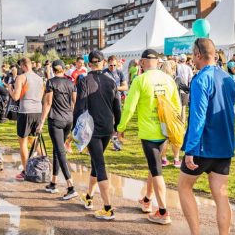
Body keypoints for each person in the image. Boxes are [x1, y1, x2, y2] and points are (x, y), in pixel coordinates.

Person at [174, 38, 235, 235]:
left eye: (193, 54)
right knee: (221, 194)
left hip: (203, 145)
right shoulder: (228, 78)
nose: (192, 58)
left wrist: (189, 149)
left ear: (199, 55)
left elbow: (198, 116)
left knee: (184, 186)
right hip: (224, 145)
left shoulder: (201, 79)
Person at [118, 50, 181, 224]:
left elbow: (129, 107)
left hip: (149, 132)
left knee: (156, 170)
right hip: (164, 130)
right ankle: (147, 200)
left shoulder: (140, 80)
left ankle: (163, 211)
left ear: (144, 62)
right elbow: (177, 105)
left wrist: (121, 127)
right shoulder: (168, 79)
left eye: (140, 62)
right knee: (153, 166)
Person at [75, 50, 121, 220]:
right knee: (96, 161)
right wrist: (118, 126)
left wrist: (75, 131)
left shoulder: (84, 80)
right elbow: (118, 106)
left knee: (100, 164)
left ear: (89, 64)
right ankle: (88, 197)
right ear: (102, 63)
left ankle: (108, 208)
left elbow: (79, 107)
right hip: (108, 126)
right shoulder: (111, 80)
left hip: (92, 128)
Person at [38, 60, 78, 199]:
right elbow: (75, 102)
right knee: (57, 149)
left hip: (56, 120)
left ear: (53, 70)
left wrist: (41, 122)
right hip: (68, 119)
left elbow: (48, 103)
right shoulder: (70, 83)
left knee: (60, 152)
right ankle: (53, 183)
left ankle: (71, 186)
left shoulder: (51, 82)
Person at [8, 57, 45, 181]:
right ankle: (44, 162)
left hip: (25, 111)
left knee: (23, 142)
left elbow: (16, 97)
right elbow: (41, 95)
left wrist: (10, 89)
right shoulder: (40, 78)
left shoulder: (21, 77)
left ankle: (25, 171)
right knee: (34, 140)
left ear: (23, 66)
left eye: (20, 67)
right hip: (38, 111)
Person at [175, 54, 194, 122]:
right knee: (183, 106)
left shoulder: (176, 67)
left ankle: (178, 122)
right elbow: (191, 79)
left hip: (176, 87)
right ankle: (182, 122)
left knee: (178, 105)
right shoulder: (188, 68)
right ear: (185, 60)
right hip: (185, 87)